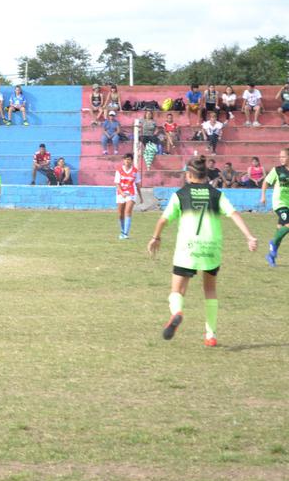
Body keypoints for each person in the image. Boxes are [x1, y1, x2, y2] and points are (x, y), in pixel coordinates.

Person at [148, 156, 258, 346]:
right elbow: (234, 214)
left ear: (189, 175)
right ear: (205, 175)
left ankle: (177, 313)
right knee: (210, 289)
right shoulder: (217, 194)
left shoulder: (180, 195)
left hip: (187, 248)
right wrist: (249, 236)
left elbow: (163, 220)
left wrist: (155, 237)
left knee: (177, 290)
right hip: (211, 247)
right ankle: (211, 335)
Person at [260, 147, 289, 267]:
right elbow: (266, 182)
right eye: (280, 156)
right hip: (279, 203)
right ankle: (272, 243)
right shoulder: (277, 170)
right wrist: (263, 196)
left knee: (280, 231)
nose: (281, 158)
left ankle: (271, 255)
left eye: (284, 156)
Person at [114, 153, 143, 240]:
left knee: (128, 212)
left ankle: (126, 233)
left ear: (132, 160)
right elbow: (117, 184)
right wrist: (121, 193)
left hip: (131, 193)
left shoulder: (135, 171)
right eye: (126, 159)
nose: (127, 161)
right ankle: (122, 232)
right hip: (121, 194)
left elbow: (137, 184)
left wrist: (141, 196)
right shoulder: (119, 170)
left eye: (129, 159)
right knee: (120, 214)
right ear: (123, 160)